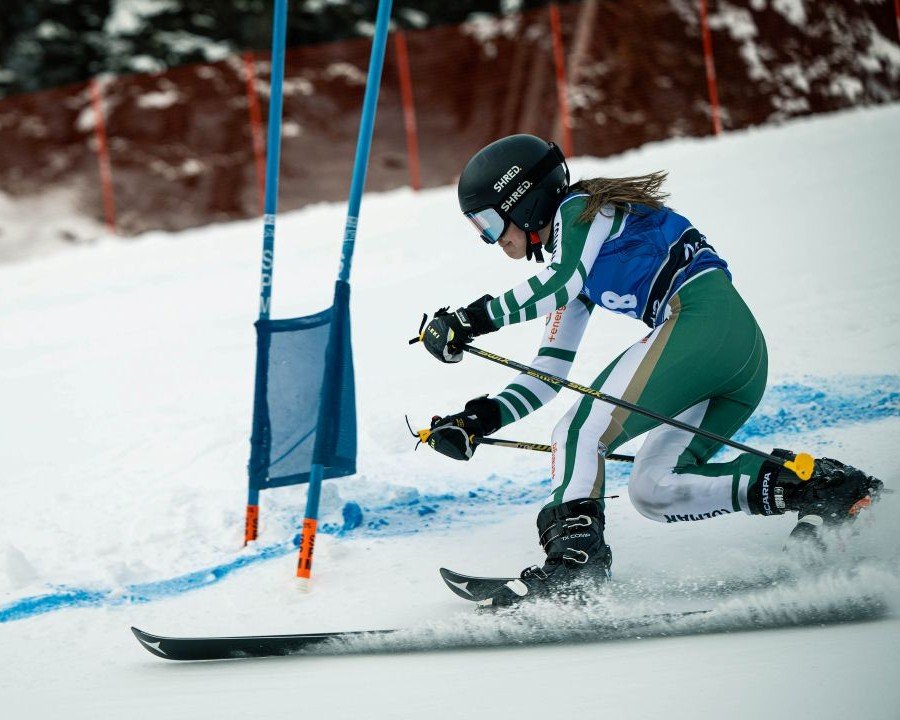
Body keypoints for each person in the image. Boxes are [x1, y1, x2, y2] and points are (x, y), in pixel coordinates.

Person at [419, 134, 882, 604]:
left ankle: (575, 567)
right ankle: (824, 490)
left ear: (526, 199)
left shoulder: (580, 210)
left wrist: (470, 319)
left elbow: (558, 283)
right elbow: (548, 371)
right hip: (736, 354)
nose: (491, 239)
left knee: (578, 434)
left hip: (701, 322)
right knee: (654, 489)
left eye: (490, 222)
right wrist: (481, 419)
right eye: (479, 228)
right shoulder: (574, 268)